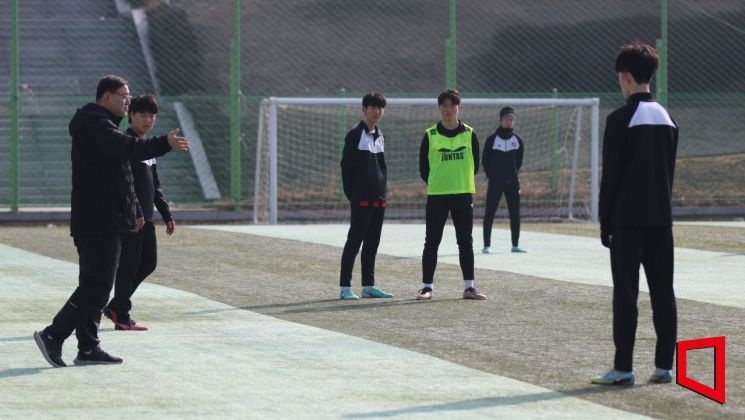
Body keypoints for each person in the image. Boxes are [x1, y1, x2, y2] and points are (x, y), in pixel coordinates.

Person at [33, 75, 189, 367]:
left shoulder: (99, 126)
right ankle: (53, 335)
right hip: (99, 222)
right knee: (97, 285)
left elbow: (125, 176)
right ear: (106, 97)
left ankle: (88, 347)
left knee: (95, 284)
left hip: (103, 220)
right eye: (124, 96)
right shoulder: (97, 128)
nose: (128, 101)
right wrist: (165, 143)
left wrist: (134, 212)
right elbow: (131, 149)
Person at [592, 43, 678, 385]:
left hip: (627, 221)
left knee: (626, 294)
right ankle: (664, 366)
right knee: (663, 292)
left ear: (625, 77)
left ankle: (623, 368)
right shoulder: (669, 119)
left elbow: (611, 176)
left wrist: (604, 220)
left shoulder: (619, 120)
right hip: (662, 221)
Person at [103, 94, 175, 329]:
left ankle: (116, 306)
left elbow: (154, 184)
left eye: (152, 116)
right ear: (131, 115)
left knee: (148, 263)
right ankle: (121, 315)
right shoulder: (127, 143)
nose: (147, 120)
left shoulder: (146, 147)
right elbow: (124, 183)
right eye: (142, 115)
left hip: (146, 218)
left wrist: (166, 213)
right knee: (129, 265)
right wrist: (134, 211)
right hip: (131, 217)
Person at [417, 89, 486, 301]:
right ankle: (427, 287)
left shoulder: (470, 134)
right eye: (444, 106)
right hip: (437, 195)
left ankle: (469, 288)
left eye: (452, 105)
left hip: (463, 194)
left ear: (459, 107)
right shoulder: (430, 135)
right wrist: (440, 182)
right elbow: (423, 168)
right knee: (432, 241)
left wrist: (458, 181)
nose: (448, 109)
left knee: (465, 241)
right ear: (439, 108)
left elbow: (475, 164)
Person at [338, 92, 394, 300]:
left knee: (372, 242)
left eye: (380, 108)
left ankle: (368, 286)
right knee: (355, 241)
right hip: (360, 198)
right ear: (364, 109)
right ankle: (345, 287)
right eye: (373, 108)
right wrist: (352, 193)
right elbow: (346, 166)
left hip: (378, 199)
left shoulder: (380, 135)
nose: (377, 112)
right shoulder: (354, 134)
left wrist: (382, 193)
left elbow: (381, 168)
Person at [481, 106, 526, 254]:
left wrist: (511, 174)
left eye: (511, 119)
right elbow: (485, 161)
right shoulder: (492, 140)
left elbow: (518, 162)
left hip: (512, 182)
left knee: (515, 213)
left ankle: (515, 245)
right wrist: (492, 176)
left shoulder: (518, 140)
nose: (509, 122)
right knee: (490, 212)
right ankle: (487, 245)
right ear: (500, 120)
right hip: (495, 182)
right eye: (506, 119)